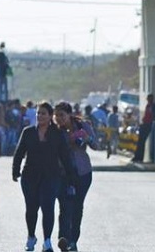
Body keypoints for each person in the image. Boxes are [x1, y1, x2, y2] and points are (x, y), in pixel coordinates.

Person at [12, 102, 77, 252]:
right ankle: (31, 237)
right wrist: (15, 170)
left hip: (51, 177)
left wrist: (70, 177)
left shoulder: (57, 134)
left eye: (43, 113)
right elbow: (19, 152)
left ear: (49, 116)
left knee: (48, 208)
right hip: (30, 177)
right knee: (31, 208)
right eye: (38, 113)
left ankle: (47, 241)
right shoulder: (28, 132)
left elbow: (65, 157)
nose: (40, 116)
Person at [53, 102, 98, 252]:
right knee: (65, 206)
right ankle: (63, 238)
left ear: (69, 115)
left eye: (62, 115)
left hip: (83, 172)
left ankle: (73, 240)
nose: (59, 118)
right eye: (56, 115)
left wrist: (87, 138)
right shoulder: (55, 131)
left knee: (77, 206)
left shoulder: (82, 125)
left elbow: (96, 145)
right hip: (63, 174)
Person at [131, 93, 155, 163]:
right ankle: (138, 157)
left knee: (142, 140)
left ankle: (140, 157)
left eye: (149, 99)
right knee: (140, 141)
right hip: (145, 124)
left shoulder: (153, 106)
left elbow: (153, 116)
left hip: (149, 125)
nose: (148, 100)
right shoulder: (148, 106)